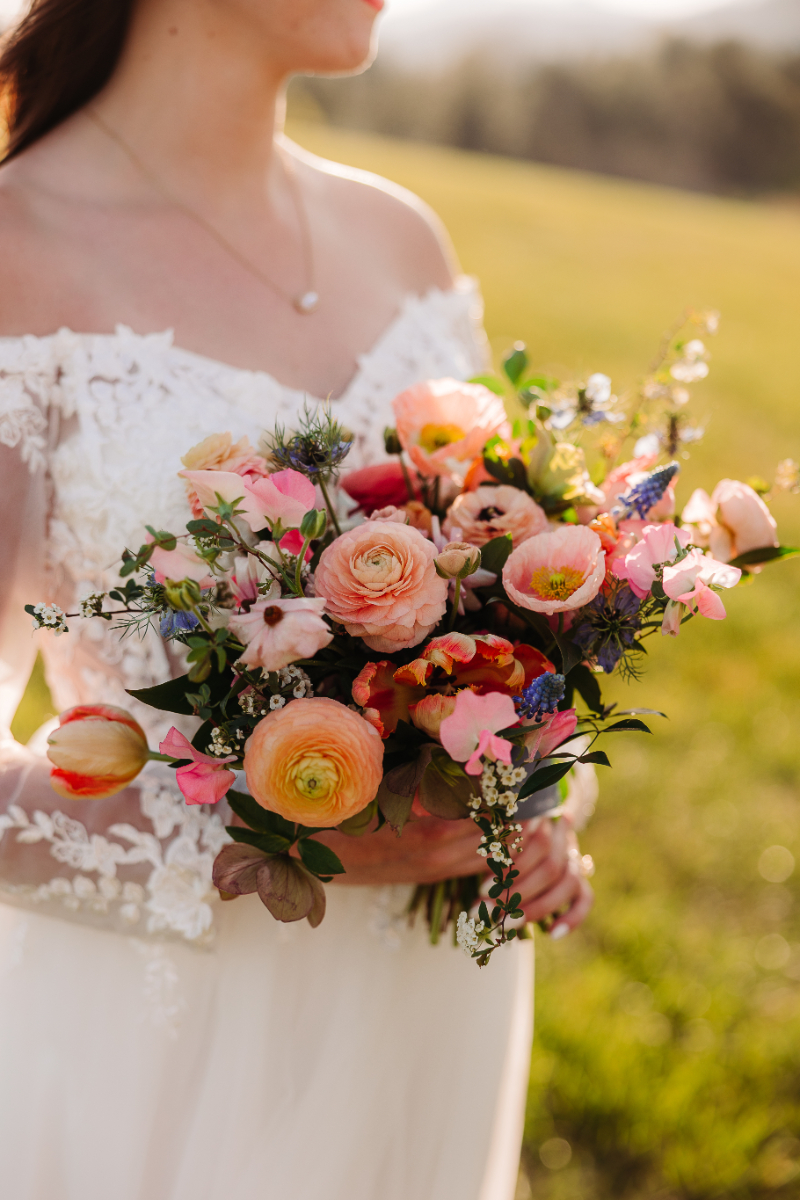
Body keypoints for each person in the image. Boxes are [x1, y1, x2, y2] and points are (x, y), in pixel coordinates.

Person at [0, 2, 593, 1197]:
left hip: (423, 1016)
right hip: (168, 1037)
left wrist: (535, 790)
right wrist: (255, 833)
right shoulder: (17, 252)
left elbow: (505, 601)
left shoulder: (401, 236)